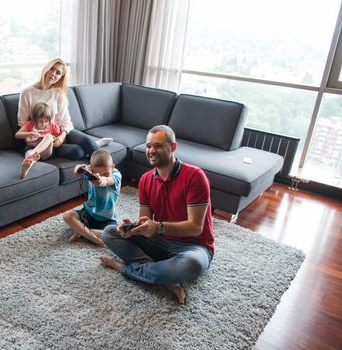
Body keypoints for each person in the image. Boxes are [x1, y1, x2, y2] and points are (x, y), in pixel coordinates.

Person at [100, 125, 214, 304]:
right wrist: (134, 229)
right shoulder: (145, 180)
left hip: (194, 246)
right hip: (161, 241)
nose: (151, 151)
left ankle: (125, 268)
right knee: (109, 232)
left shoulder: (195, 177)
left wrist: (159, 227)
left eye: (158, 146)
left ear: (173, 147)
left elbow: (195, 227)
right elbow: (146, 222)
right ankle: (163, 276)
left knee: (194, 264)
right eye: (148, 146)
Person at [17, 58, 112, 161]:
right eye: (52, 69)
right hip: (42, 138)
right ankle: (94, 146)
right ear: (46, 68)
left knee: (88, 141)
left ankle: (108, 170)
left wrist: (62, 137)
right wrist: (30, 138)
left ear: (60, 78)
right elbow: (23, 122)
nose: (53, 74)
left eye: (58, 73)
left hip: (60, 131)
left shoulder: (58, 93)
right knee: (77, 152)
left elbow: (65, 120)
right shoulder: (27, 93)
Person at [63, 150, 121, 247]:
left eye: (106, 173)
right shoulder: (90, 173)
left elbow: (105, 181)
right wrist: (81, 169)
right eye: (98, 173)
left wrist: (100, 179)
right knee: (67, 216)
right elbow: (77, 171)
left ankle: (82, 232)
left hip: (107, 219)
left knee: (117, 234)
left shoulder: (116, 175)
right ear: (91, 169)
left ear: (113, 167)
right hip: (88, 213)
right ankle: (94, 238)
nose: (102, 175)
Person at [15, 102, 61, 178]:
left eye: (46, 121)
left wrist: (55, 138)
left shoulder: (52, 126)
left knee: (49, 136)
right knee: (29, 154)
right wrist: (31, 133)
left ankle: (33, 154)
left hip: (46, 151)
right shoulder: (31, 124)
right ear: (35, 119)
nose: (44, 124)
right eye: (41, 121)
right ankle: (25, 170)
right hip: (32, 148)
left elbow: (60, 138)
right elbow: (17, 135)